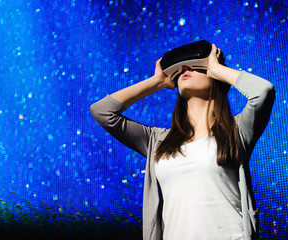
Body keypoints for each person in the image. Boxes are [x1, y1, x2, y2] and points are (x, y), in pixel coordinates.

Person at [90, 42, 275, 240]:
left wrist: (216, 68)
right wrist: (158, 82)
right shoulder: (158, 140)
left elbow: (262, 92)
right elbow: (102, 112)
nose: (186, 70)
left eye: (195, 66)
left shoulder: (237, 129)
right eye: (180, 70)